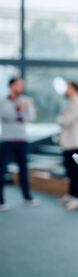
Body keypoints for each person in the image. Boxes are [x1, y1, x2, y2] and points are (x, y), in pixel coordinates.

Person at [0, 77, 38, 211]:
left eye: (22, 85)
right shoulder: (3, 101)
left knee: (24, 170)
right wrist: (20, 108)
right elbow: (5, 115)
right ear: (11, 86)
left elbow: (30, 117)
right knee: (2, 170)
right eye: (19, 85)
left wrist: (21, 110)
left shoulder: (25, 100)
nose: (22, 87)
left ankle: (27, 197)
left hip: (22, 140)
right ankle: (1, 201)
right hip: (7, 140)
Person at [57, 81, 78, 210]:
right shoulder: (68, 103)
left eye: (68, 87)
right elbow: (63, 120)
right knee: (69, 171)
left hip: (75, 143)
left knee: (75, 173)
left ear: (74, 89)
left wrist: (60, 119)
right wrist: (61, 119)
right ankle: (71, 195)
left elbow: (65, 121)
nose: (65, 90)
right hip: (66, 143)